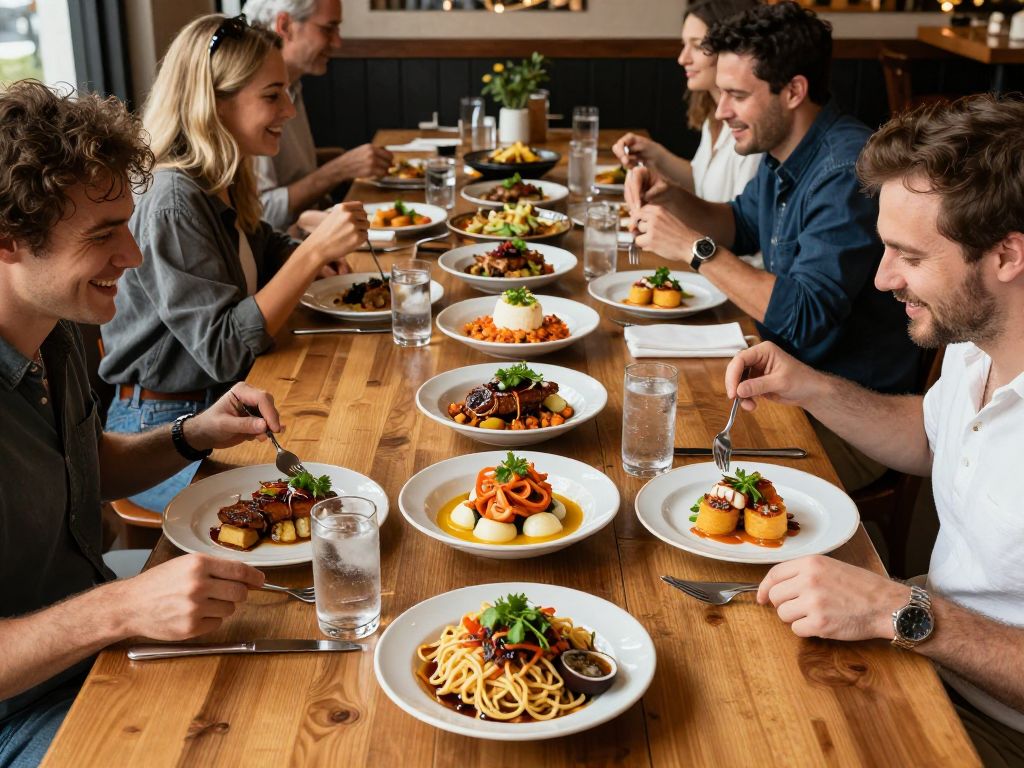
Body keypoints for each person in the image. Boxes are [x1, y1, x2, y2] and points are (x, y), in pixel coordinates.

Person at [724, 95, 1024, 767]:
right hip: (926, 647)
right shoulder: (981, 337)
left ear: (1007, 254)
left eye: (909, 256)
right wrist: (811, 386)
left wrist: (900, 610)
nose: (885, 278)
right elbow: (930, 436)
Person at [0, 80, 281, 767]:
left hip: (95, 648)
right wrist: (122, 608)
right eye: (102, 234)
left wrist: (193, 434)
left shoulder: (54, 331)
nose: (132, 254)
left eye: (127, 223)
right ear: (9, 242)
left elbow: (83, 464)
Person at [627, 1, 920, 492]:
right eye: (721, 94)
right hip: (783, 379)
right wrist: (670, 195)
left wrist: (695, 250)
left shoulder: (843, 171)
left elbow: (805, 316)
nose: (722, 112)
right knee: (648, 425)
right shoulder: (785, 148)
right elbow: (739, 224)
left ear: (793, 91)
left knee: (665, 464)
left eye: (737, 96)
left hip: (850, 420)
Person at [99, 14, 368, 515]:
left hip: (224, 404)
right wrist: (312, 252)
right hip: (159, 426)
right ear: (214, 102)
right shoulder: (173, 197)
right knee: (326, 505)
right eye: (272, 95)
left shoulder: (220, 175)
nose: (289, 109)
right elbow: (223, 350)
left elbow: (262, 248)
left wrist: (311, 257)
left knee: (355, 458)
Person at [243, 0, 392, 231]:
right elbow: (263, 213)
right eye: (328, 28)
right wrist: (339, 169)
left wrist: (338, 158)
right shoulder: (251, 101)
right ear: (285, 25)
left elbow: (291, 170)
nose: (337, 41)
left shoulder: (293, 86)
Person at [612, 0, 762, 211]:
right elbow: (702, 183)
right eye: (684, 45)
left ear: (733, 48)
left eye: (698, 45)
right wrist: (656, 154)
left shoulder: (752, 129)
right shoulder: (713, 111)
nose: (682, 58)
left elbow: (742, 225)